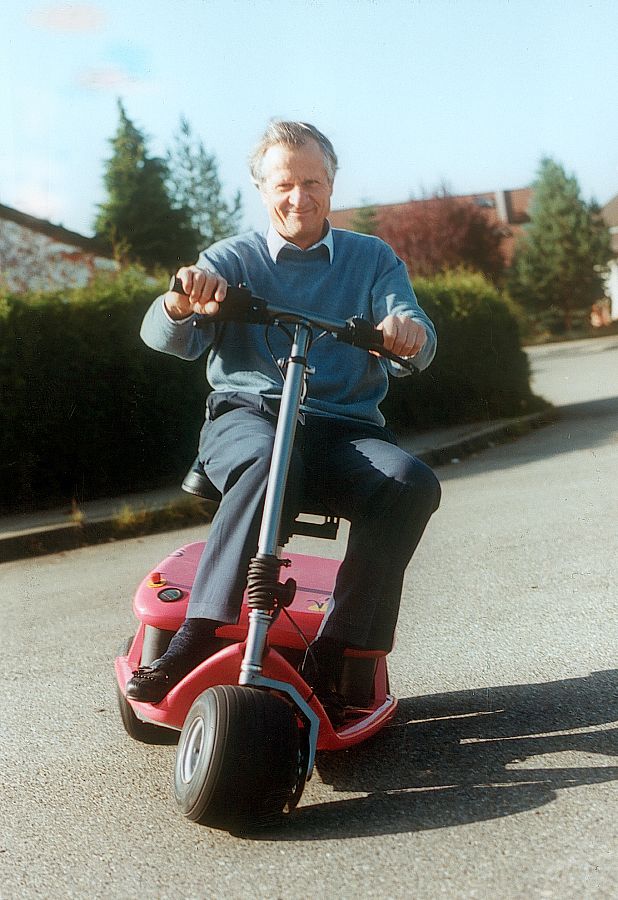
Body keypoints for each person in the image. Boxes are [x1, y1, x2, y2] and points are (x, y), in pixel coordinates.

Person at [127, 121, 441, 722]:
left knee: (410, 483)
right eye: (285, 184)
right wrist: (181, 300)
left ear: (331, 184)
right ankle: (201, 627)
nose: (300, 197)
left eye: (313, 182)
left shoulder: (372, 259)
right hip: (250, 416)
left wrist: (408, 332)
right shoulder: (230, 258)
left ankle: (338, 648)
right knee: (274, 458)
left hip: (344, 432)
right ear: (262, 187)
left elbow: (414, 335)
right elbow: (164, 335)